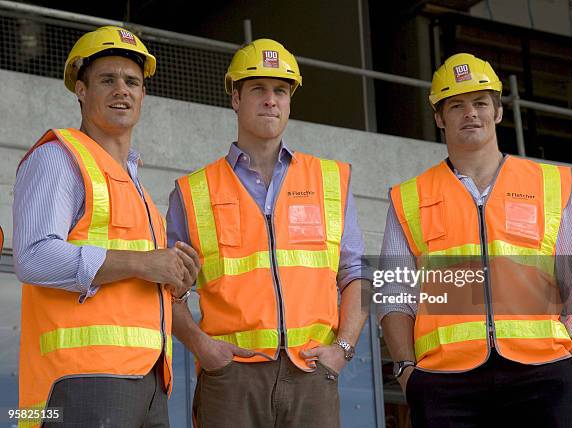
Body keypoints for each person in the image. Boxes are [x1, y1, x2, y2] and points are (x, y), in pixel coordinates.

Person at [378, 53, 572, 427]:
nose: (470, 113)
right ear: (439, 118)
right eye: (456, 105)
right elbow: (393, 296)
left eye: (480, 103)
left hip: (545, 378)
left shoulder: (549, 187)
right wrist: (407, 371)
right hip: (444, 384)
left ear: (498, 112)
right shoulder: (409, 197)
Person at [166, 38, 370, 428]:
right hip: (231, 377)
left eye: (280, 90)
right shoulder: (193, 191)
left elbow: (357, 273)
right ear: (235, 99)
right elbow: (167, 291)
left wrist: (342, 349)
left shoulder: (331, 180)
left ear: (290, 102)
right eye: (258, 88)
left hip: (312, 373)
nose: (270, 100)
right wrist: (202, 347)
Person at [13, 26, 200, 427]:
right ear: (80, 89)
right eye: (107, 80)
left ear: (143, 95)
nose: (122, 89)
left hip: (149, 379)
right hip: (80, 379)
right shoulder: (58, 157)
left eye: (132, 81)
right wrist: (142, 263)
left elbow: (139, 281)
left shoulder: (140, 190)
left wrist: (175, 281)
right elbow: (32, 258)